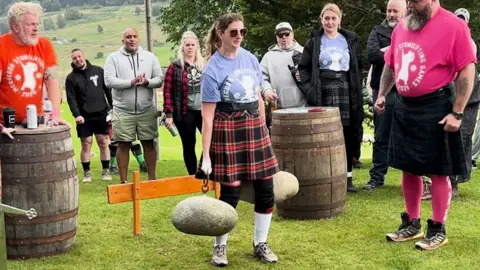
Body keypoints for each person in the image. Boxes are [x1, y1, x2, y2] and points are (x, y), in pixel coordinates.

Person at [376, 0, 477, 250]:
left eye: (416, 1)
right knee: (408, 168)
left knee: (438, 170)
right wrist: (381, 94)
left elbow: (466, 71)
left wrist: (458, 113)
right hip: (404, 106)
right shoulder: (403, 27)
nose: (410, 5)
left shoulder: (454, 26)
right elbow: (391, 64)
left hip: (437, 106)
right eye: (408, 0)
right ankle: (412, 223)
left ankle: (437, 228)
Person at [195, 13, 279, 267]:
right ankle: (219, 248)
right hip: (227, 129)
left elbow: (257, 94)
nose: (239, 37)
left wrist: (264, 125)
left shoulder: (250, 58)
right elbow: (207, 119)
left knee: (266, 190)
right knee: (230, 194)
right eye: (233, 32)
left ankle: (260, 244)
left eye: (242, 32)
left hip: (254, 128)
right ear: (221, 34)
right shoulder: (212, 69)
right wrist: (206, 156)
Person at [298, 3, 364, 192]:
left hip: (346, 89)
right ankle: (326, 177)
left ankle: (347, 178)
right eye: (326, 18)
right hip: (322, 89)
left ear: (339, 20)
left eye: (333, 18)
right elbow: (303, 68)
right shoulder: (314, 41)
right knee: (324, 133)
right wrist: (309, 89)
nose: (330, 22)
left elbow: (356, 67)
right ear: (322, 20)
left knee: (347, 133)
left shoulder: (348, 40)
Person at [104, 27, 163, 184]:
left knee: (149, 143)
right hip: (123, 110)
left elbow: (159, 79)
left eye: (134, 36)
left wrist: (147, 82)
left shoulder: (150, 57)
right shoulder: (113, 58)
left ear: (139, 39)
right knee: (123, 144)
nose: (131, 39)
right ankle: (124, 181)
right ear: (123, 41)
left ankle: (152, 179)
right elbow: (109, 81)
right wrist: (130, 83)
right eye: (128, 37)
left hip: (147, 109)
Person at [0, 2, 68, 126]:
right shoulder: (1, 45)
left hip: (35, 121)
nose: (36, 28)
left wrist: (55, 115)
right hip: (5, 122)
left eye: (37, 24)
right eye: (30, 24)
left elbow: (52, 83)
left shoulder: (44, 45)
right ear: (16, 27)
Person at [363, 0, 407, 190]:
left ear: (404, 11)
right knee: (381, 134)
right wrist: (398, 52)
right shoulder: (377, 31)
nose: (390, 14)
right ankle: (376, 177)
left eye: (395, 11)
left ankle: (414, 178)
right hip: (383, 90)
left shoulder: (413, 30)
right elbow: (372, 54)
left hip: (408, 90)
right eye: (388, 11)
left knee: (411, 134)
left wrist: (388, 51)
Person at [66, 48, 113, 183]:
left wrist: (112, 108)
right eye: (74, 58)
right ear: (72, 60)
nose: (77, 59)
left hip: (101, 114)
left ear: (84, 56)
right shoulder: (71, 78)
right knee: (86, 144)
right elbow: (71, 98)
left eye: (79, 56)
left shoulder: (98, 71)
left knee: (103, 142)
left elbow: (108, 91)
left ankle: (106, 171)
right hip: (83, 117)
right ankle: (87, 173)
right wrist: (76, 114)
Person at [446, 8, 479, 197]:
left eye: (463, 20)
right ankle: (449, 181)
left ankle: (457, 180)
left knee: (464, 138)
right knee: (451, 138)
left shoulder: (469, 42)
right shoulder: (451, 40)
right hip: (454, 97)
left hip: (471, 99)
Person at [163, 31, 204, 175]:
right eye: (187, 45)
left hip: (204, 111)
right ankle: (192, 176)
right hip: (185, 112)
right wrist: (169, 114)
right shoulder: (175, 67)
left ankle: (204, 168)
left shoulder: (204, 65)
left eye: (193, 45)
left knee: (211, 142)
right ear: (183, 47)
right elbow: (167, 91)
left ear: (197, 47)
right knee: (188, 145)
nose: (190, 47)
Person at [260, 22, 306, 131]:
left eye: (287, 34)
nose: (284, 37)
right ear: (276, 37)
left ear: (292, 34)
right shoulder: (268, 57)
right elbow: (261, 77)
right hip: (278, 110)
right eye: (280, 35)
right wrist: (266, 90)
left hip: (303, 107)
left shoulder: (303, 52)